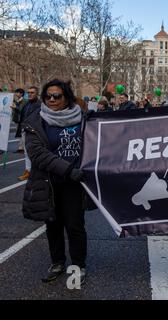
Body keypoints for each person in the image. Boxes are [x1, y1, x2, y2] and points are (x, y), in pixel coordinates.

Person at [22, 79, 87, 285]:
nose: (51, 99)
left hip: (74, 184)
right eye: (48, 96)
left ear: (66, 97)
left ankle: (78, 265)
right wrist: (68, 169)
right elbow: (38, 154)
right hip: (48, 182)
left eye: (56, 96)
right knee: (53, 224)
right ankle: (57, 262)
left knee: (75, 226)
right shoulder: (34, 121)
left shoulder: (84, 119)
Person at [18, 86, 42, 181]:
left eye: (32, 92)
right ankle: (28, 171)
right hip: (25, 130)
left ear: (37, 94)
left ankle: (34, 171)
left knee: (35, 152)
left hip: (34, 132)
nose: (30, 94)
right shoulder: (26, 104)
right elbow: (22, 117)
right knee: (26, 152)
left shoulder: (40, 105)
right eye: (28, 92)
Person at [11, 88, 28, 153]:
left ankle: (21, 148)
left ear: (21, 94)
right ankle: (21, 148)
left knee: (23, 133)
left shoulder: (24, 101)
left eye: (17, 92)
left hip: (23, 120)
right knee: (22, 134)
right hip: (19, 120)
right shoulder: (17, 101)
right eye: (16, 92)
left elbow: (22, 110)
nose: (16, 94)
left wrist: (15, 107)